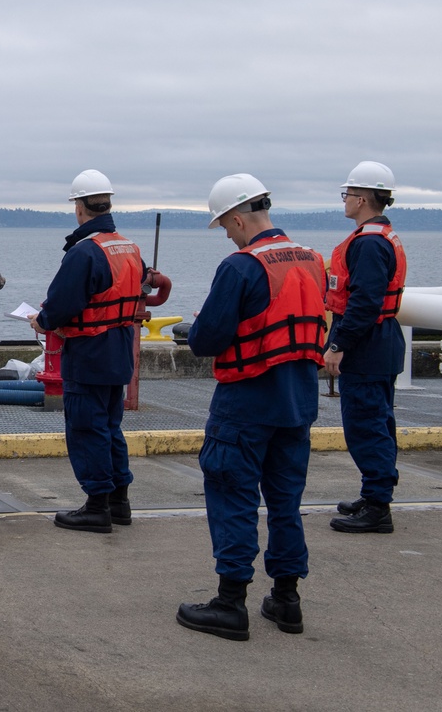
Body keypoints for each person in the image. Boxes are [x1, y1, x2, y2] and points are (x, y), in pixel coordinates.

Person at [176, 174, 327, 641]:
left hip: (246, 402)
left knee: (233, 496)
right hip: (298, 403)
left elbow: (208, 339)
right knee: (286, 503)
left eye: (225, 225)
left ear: (240, 218)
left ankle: (230, 603)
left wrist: (194, 330)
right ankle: (286, 600)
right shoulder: (313, 259)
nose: (226, 233)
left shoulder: (241, 267)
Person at [28, 169, 146, 534]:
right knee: (111, 428)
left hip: (90, 352)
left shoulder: (84, 253)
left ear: (79, 207)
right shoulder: (129, 247)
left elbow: (61, 305)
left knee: (86, 428)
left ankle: (96, 506)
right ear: (107, 203)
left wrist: (41, 320)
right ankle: (119, 501)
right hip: (120, 350)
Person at [325, 161, 406, 534]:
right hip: (382, 340)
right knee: (378, 422)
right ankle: (374, 493)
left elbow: (364, 302)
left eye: (347, 194)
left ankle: (377, 507)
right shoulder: (381, 237)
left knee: (366, 425)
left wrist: (338, 344)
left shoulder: (369, 244)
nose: (344, 201)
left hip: (367, 344)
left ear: (360, 198)